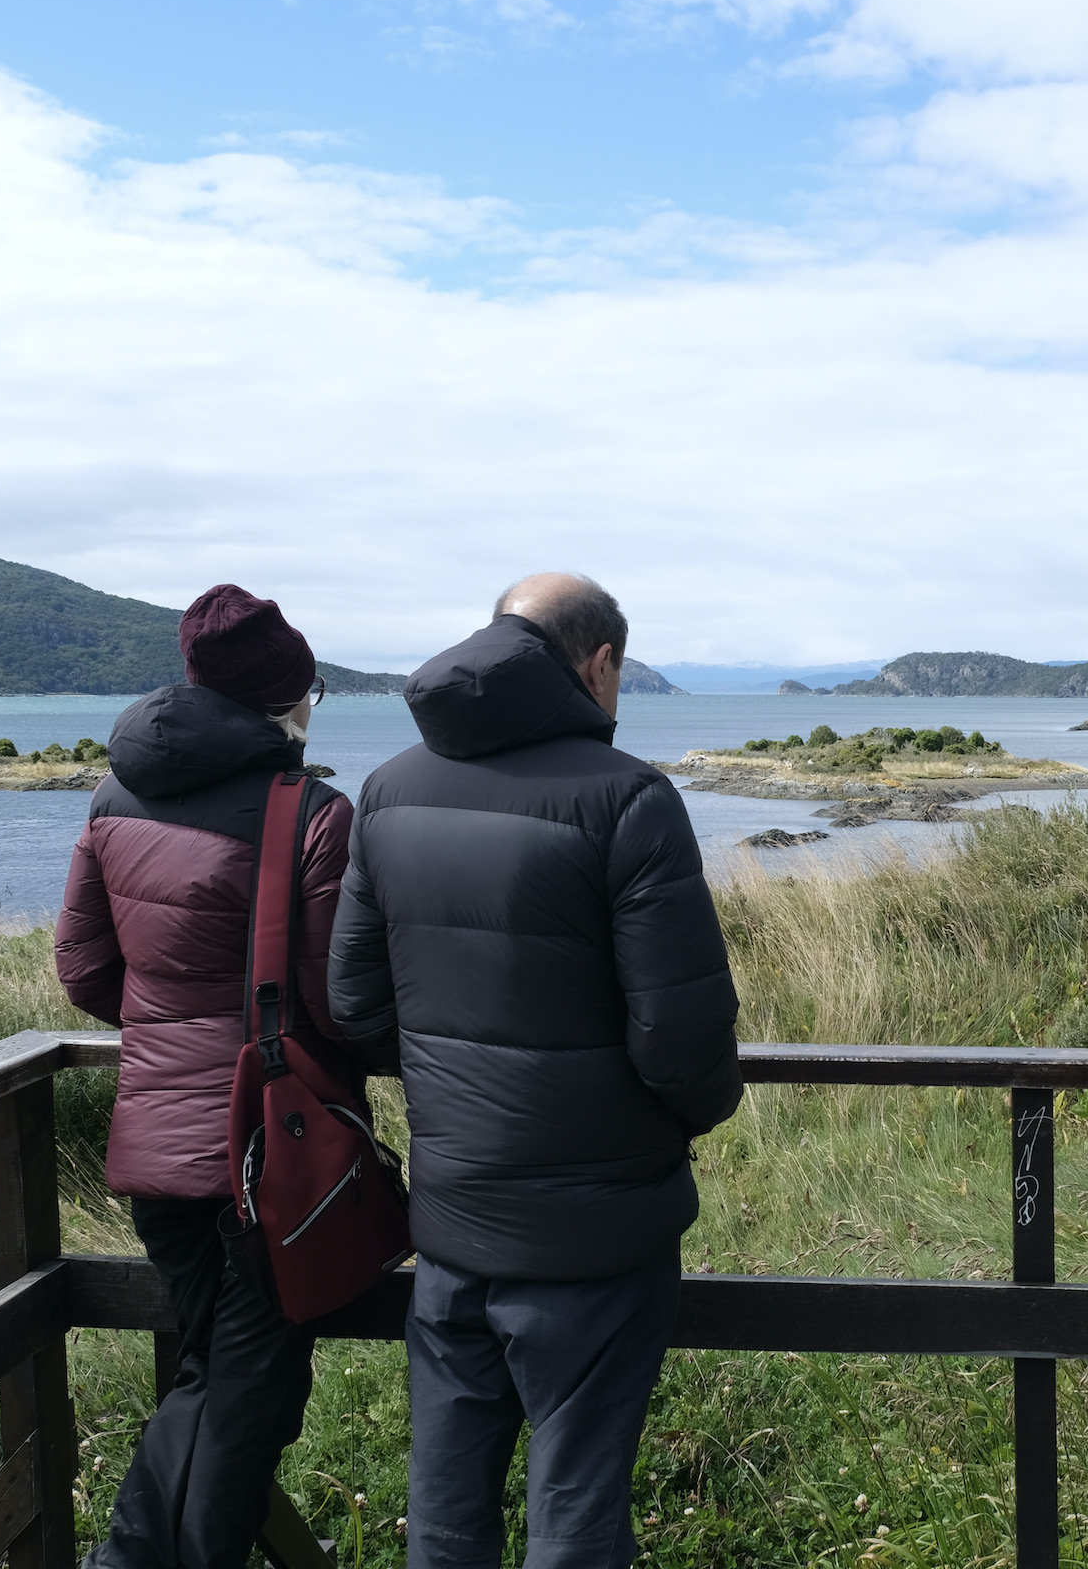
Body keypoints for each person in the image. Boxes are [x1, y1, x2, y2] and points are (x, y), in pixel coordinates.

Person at [329, 572, 742, 1569]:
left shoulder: (387, 788)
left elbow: (354, 1006)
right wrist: (686, 1116)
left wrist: (450, 1080)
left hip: (456, 1218)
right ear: (598, 665)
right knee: (576, 1513)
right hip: (597, 1235)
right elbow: (684, 1047)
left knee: (446, 1512)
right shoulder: (629, 799)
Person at [55, 584, 357, 1569]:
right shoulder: (307, 810)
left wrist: (170, 1032)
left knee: (211, 1374)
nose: (314, 703)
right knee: (249, 1394)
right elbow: (333, 1002)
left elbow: (85, 970)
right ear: (281, 699)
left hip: (154, 1147)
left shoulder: (114, 797)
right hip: (263, 1153)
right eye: (309, 687)